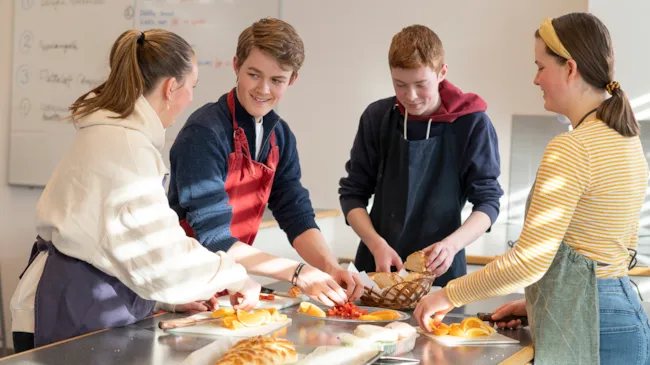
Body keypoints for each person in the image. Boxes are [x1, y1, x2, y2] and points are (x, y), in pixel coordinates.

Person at [414, 13, 650, 365]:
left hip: (591, 326)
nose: (536, 78)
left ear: (570, 68)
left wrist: (448, 295)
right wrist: (539, 303)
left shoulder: (573, 147)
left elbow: (528, 261)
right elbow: (601, 251)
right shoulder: (624, 139)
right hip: (619, 316)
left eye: (541, 66)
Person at [10, 29, 259, 353]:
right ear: (171, 88)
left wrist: (164, 299)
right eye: (192, 87)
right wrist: (235, 276)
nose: (191, 99)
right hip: (69, 317)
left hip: (68, 306)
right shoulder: (127, 148)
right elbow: (162, 259)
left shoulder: (113, 135)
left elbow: (123, 247)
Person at [167, 18, 363, 307]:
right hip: (181, 289)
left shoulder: (280, 137)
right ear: (236, 66)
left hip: (229, 286)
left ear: (292, 79)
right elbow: (215, 237)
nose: (263, 89)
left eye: (277, 80)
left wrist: (329, 266)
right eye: (254, 74)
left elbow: (295, 212)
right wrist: (297, 272)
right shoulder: (204, 132)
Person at [338, 25, 503, 286]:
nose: (410, 96)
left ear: (441, 73)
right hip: (377, 268)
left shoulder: (472, 123)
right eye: (399, 84)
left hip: (441, 274)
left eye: (420, 84)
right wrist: (376, 244)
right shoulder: (377, 117)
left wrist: (451, 245)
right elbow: (352, 195)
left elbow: (488, 203)